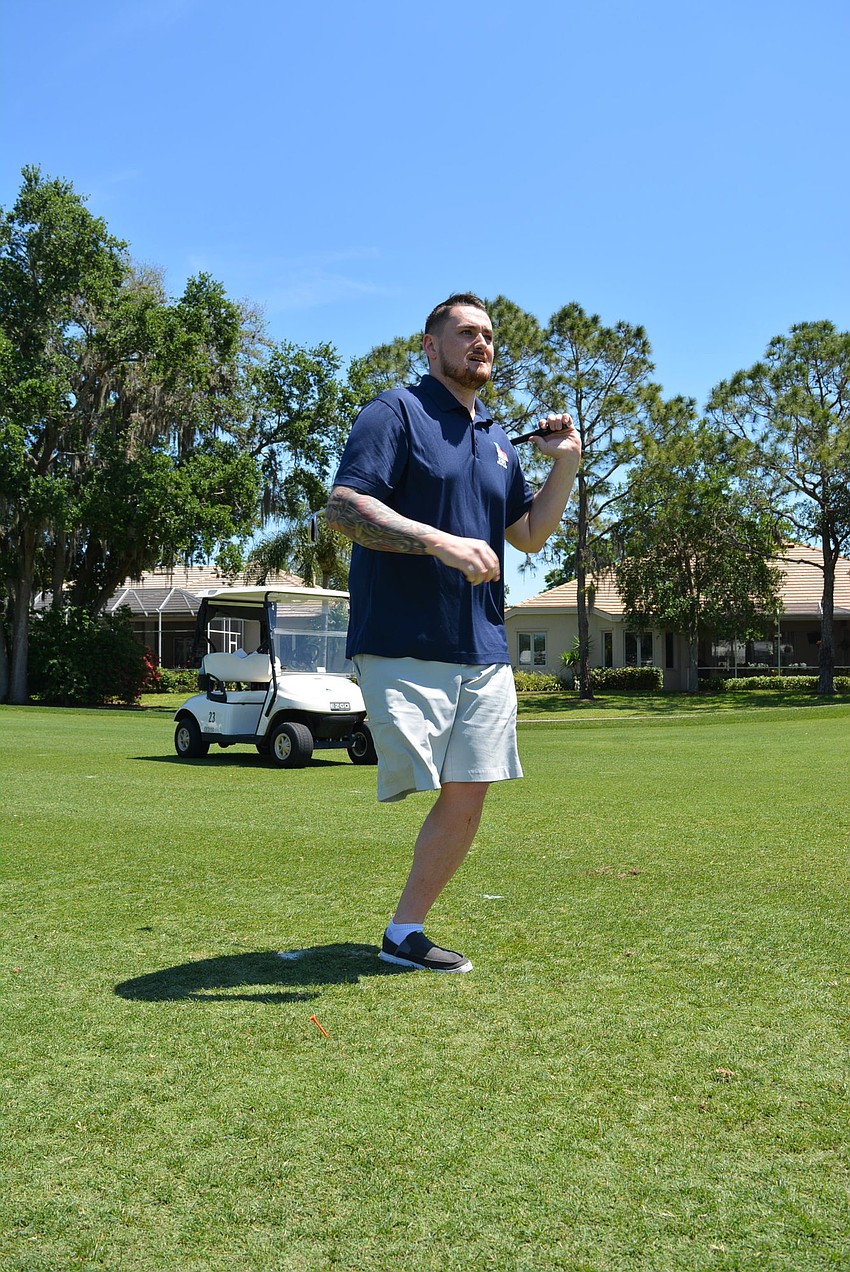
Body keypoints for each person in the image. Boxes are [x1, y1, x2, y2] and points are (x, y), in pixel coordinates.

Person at [326, 293, 581, 973]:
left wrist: (565, 462)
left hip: (484, 648)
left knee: (470, 788)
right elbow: (344, 508)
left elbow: (530, 534)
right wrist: (439, 541)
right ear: (430, 345)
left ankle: (404, 931)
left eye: (488, 334)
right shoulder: (395, 412)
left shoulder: (497, 440)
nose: (481, 343)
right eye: (465, 332)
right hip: (402, 640)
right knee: (412, 778)